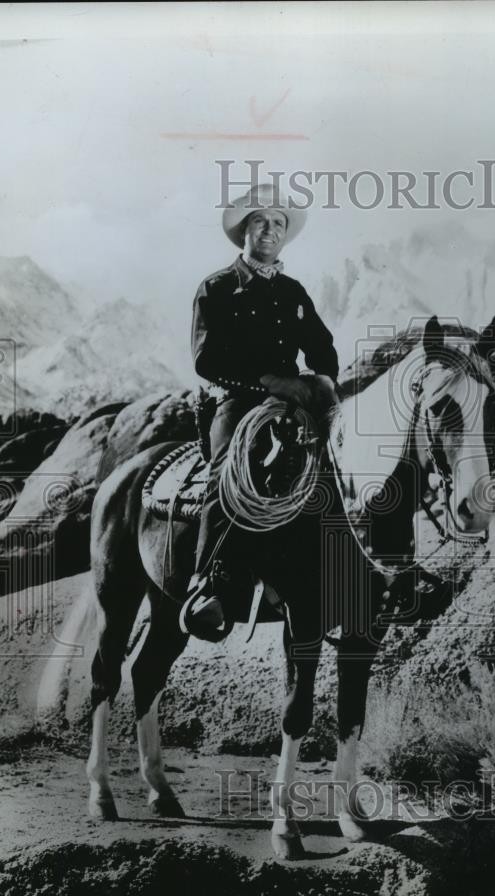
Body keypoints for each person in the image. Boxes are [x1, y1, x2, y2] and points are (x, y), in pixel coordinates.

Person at [181, 184, 339, 635]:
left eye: (278, 223)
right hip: (236, 400)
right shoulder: (216, 288)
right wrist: (271, 381)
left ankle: (354, 563)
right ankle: (209, 580)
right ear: (244, 232)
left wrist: (324, 379)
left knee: (335, 464)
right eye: (259, 221)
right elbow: (205, 360)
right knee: (229, 467)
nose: (269, 230)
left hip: (290, 405)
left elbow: (322, 348)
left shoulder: (293, 291)